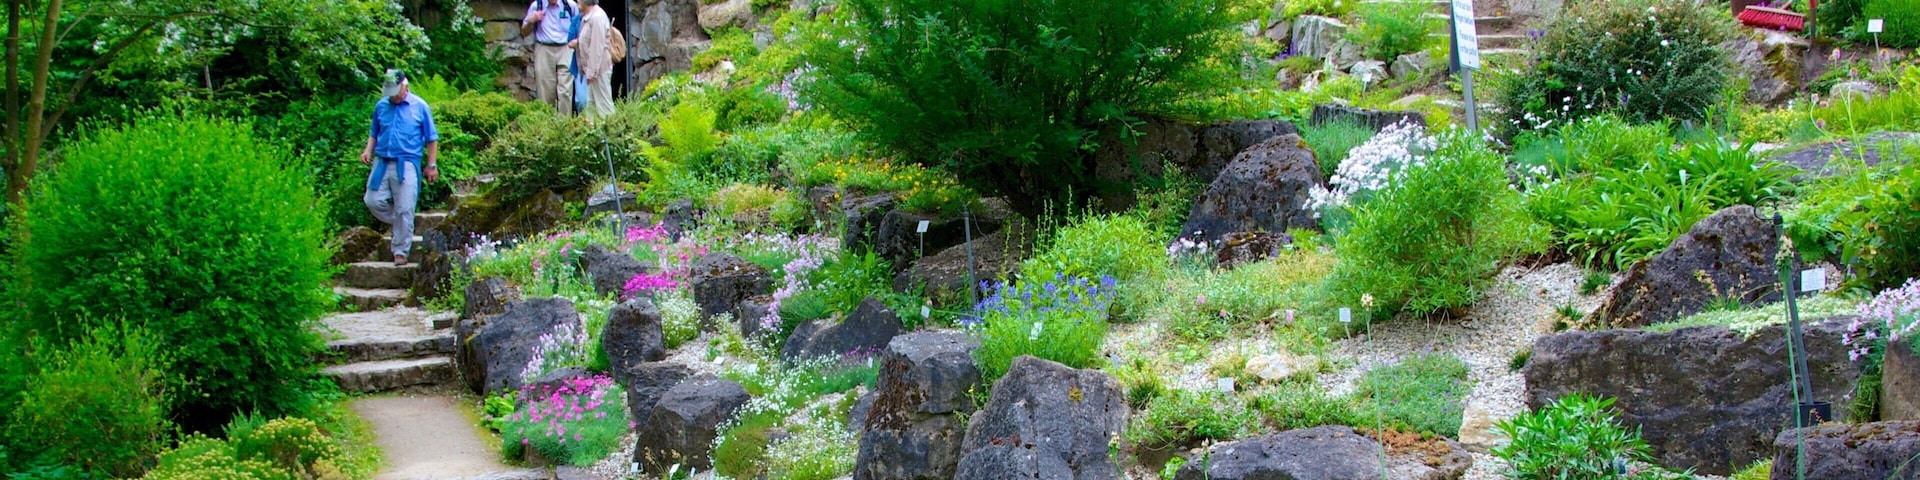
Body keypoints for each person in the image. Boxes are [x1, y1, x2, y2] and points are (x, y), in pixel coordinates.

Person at [359, 69, 441, 266]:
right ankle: (403, 222)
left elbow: (431, 138)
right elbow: (374, 132)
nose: (393, 95)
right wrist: (367, 150)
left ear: (405, 86)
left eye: (395, 91)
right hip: (382, 161)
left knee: (405, 207)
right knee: (372, 200)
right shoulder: (381, 106)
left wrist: (431, 165)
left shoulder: (420, 106)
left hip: (408, 162)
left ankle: (400, 251)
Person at [522, 0, 579, 116]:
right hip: (544, 48)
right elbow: (524, 32)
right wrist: (531, 21)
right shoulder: (537, 6)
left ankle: (564, 125)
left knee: (565, 91)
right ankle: (547, 125)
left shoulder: (570, 5)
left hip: (565, 47)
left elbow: (580, 26)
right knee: (545, 91)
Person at [572, 0, 614, 118]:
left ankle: (612, 135)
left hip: (599, 71)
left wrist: (591, 73)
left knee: (604, 109)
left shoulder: (597, 17)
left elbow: (596, 48)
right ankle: (594, 136)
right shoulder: (587, 17)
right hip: (592, 72)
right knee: (591, 110)